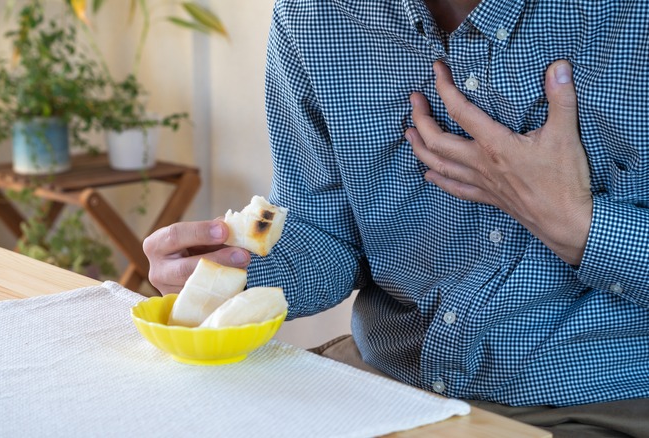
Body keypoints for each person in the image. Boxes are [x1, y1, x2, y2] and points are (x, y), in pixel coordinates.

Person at [143, 0, 649, 436]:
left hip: (599, 406)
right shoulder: (313, 17)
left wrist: (577, 224)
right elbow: (327, 234)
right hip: (379, 379)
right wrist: (226, 273)